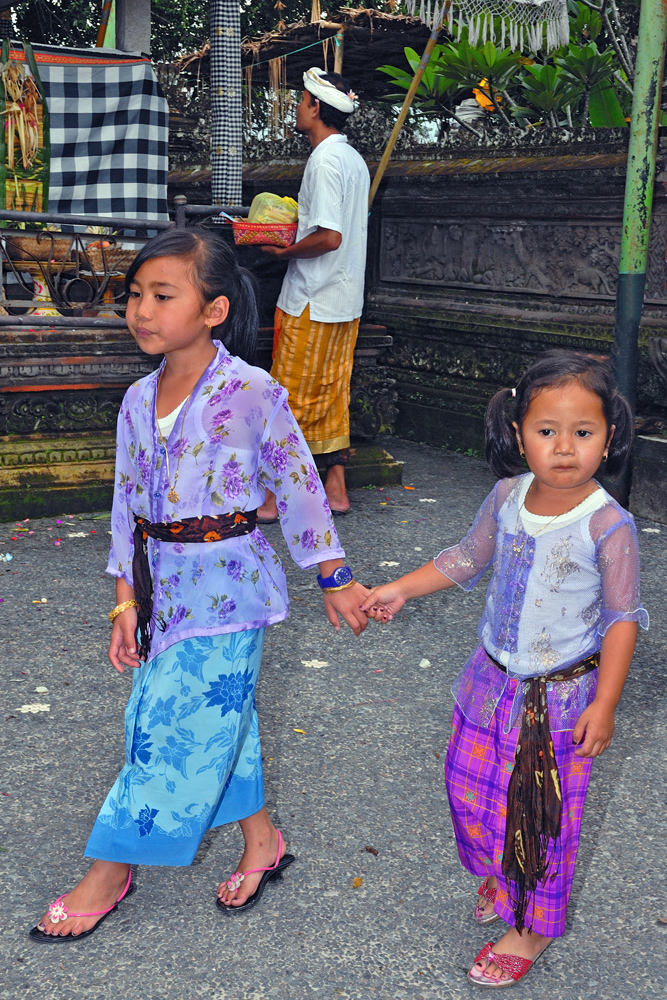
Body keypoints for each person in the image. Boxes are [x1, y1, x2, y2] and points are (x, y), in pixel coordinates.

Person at [30, 229, 369, 942]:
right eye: (134, 296)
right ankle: (261, 843)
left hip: (230, 589)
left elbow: (300, 483)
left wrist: (332, 576)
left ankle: (110, 866)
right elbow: (127, 503)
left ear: (213, 309)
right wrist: (124, 600)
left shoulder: (251, 391)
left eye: (162, 295)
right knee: (220, 721)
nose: (141, 311)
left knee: (170, 729)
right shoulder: (134, 400)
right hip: (160, 591)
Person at [361, 351, 648, 987]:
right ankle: (502, 868)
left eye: (584, 432)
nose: (565, 447)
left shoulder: (609, 524)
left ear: (610, 437)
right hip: (489, 683)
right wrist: (402, 589)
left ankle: (531, 927)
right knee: (469, 789)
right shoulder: (504, 497)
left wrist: (605, 703)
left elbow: (623, 617)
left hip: (562, 700)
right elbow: (467, 558)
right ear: (519, 433)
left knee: (540, 818)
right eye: (547, 431)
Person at [259, 67, 370, 519]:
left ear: (317, 109)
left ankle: (271, 497)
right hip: (344, 300)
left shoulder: (324, 161)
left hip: (314, 299)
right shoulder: (354, 160)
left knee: (290, 397)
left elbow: (329, 237)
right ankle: (336, 488)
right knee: (330, 394)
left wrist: (285, 251)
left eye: (303, 100)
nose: (298, 107)